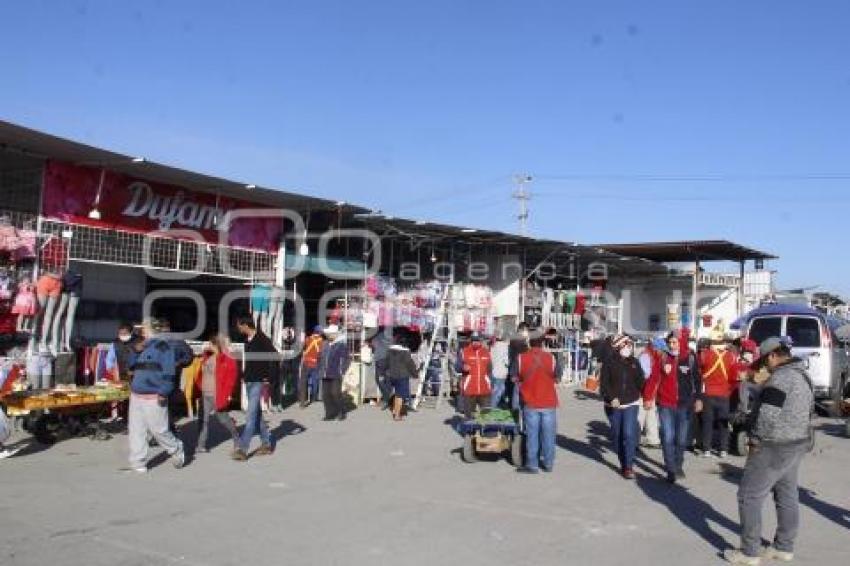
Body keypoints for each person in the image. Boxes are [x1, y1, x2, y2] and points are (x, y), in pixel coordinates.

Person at [724, 337, 815, 566]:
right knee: (787, 494)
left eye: (765, 361)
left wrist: (754, 439)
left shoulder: (780, 379)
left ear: (774, 356)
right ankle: (784, 547)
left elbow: (768, 415)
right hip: (796, 442)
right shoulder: (803, 375)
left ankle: (749, 552)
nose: (764, 366)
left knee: (749, 496)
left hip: (773, 445)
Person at [125, 319, 185, 473]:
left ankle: (176, 448)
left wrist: (164, 391)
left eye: (144, 328)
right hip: (137, 394)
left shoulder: (164, 348)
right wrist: (135, 350)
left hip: (154, 395)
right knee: (136, 430)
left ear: (152, 330)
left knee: (159, 430)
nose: (141, 331)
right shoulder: (142, 347)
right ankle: (137, 462)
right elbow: (131, 366)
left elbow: (168, 372)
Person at [643, 328, 700, 483]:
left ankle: (678, 464)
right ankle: (670, 469)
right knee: (668, 437)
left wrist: (698, 399)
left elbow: (697, 379)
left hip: (684, 404)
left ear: (681, 343)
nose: (672, 345)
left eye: (675, 342)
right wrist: (648, 397)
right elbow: (654, 379)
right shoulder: (663, 358)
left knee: (681, 440)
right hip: (665, 404)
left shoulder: (690, 357)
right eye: (670, 342)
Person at [599, 334, 645, 479]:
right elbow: (604, 385)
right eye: (626, 345)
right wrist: (611, 398)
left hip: (631, 403)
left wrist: (646, 393)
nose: (629, 348)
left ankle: (629, 466)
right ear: (618, 347)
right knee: (618, 435)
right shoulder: (609, 363)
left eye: (630, 345)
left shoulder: (635, 362)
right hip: (613, 405)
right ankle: (623, 462)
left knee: (629, 434)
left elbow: (641, 382)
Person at [233, 316, 277, 461]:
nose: (238, 328)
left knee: (250, 415)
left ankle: (243, 449)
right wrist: (243, 375)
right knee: (257, 414)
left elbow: (275, 356)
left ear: (245, 324)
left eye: (239, 325)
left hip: (258, 381)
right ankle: (266, 444)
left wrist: (269, 377)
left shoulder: (262, 338)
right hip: (249, 380)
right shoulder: (247, 340)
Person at [516, 335, 560, 474]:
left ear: (529, 343)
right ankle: (548, 464)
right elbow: (558, 376)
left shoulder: (521, 358)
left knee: (532, 435)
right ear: (542, 343)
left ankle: (532, 465)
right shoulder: (551, 358)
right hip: (548, 401)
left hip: (530, 401)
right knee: (548, 435)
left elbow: (514, 377)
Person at [193, 334, 240, 454]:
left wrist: (227, 395)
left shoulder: (227, 359)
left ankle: (236, 438)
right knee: (203, 420)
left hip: (217, 395)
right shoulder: (207, 356)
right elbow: (200, 373)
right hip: (205, 394)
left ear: (217, 345)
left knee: (224, 420)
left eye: (211, 344)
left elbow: (231, 380)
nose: (209, 346)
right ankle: (201, 445)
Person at [698, 341, 738, 458]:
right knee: (723, 423)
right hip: (724, 393)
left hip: (708, 392)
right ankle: (723, 449)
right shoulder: (731, 356)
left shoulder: (705, 354)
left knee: (707, 422)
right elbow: (732, 377)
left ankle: (706, 449)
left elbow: (700, 370)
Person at [456, 333, 493, 419]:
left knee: (486, 414)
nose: (475, 342)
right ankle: (470, 431)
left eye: (477, 340)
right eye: (473, 340)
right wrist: (462, 367)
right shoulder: (464, 352)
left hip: (484, 389)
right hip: (469, 389)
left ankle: (484, 430)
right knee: (469, 416)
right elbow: (457, 367)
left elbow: (490, 370)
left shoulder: (486, 352)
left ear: (481, 341)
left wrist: (490, 384)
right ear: (470, 341)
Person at [637, 337, 665, 449]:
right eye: (662, 350)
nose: (663, 353)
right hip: (643, 392)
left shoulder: (654, 357)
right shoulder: (646, 356)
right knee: (640, 417)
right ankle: (634, 440)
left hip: (650, 392)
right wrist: (647, 397)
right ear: (656, 348)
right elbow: (646, 378)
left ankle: (653, 439)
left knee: (651, 416)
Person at [318, 325, 350, 421]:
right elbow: (320, 357)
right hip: (325, 373)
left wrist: (342, 370)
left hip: (336, 372)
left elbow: (347, 359)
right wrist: (319, 367)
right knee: (325, 394)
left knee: (335, 393)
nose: (327, 335)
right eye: (327, 334)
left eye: (329, 334)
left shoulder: (341, 345)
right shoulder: (325, 344)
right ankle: (329, 413)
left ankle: (341, 412)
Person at [385, 333, 418, 421]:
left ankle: (395, 411)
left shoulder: (389, 350)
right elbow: (410, 364)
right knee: (400, 396)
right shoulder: (405, 351)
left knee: (396, 394)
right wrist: (415, 374)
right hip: (402, 376)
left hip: (391, 375)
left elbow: (385, 362)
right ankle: (397, 415)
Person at [299, 326, 324, 407]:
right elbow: (322, 354)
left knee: (303, 382)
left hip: (306, 363)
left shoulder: (307, 339)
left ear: (314, 331)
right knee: (315, 381)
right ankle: (313, 398)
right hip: (315, 364)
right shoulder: (322, 342)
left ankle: (302, 402)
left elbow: (302, 348)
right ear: (320, 333)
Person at [370, 328, 392, 409]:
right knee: (387, 379)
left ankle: (387, 397)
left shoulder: (376, 337)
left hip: (380, 360)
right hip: (389, 359)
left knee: (378, 379)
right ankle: (387, 399)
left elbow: (373, 346)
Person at [490, 332, 510, 408]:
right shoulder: (505, 347)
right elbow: (507, 361)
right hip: (501, 372)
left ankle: (493, 406)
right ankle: (493, 407)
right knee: (499, 391)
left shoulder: (493, 346)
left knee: (495, 390)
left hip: (493, 371)